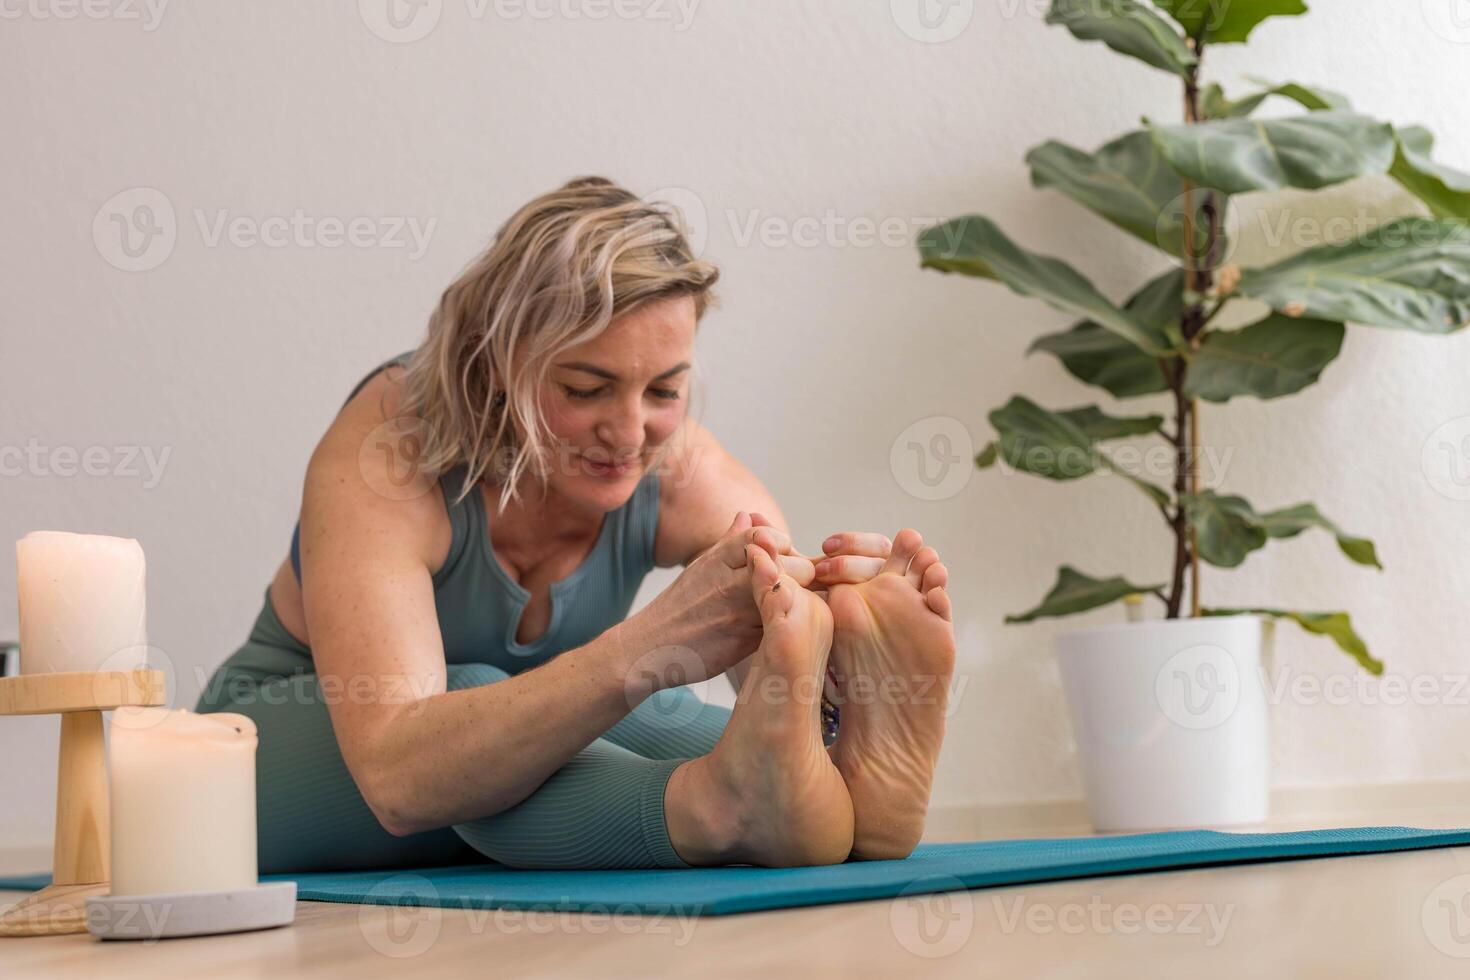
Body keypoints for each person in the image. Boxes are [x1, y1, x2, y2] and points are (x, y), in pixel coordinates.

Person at [196, 176, 956, 872]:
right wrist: (652, 640)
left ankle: (847, 779)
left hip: (500, 764)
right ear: (494, 361)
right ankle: (718, 808)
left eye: (664, 390)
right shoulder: (391, 451)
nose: (629, 433)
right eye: (587, 388)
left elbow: (775, 665)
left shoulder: (680, 466)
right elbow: (397, 774)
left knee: (681, 720)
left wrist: (826, 655)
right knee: (498, 696)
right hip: (255, 766)